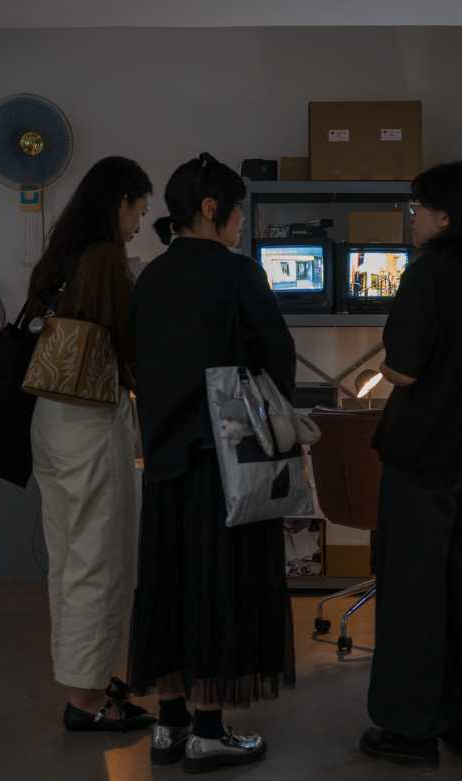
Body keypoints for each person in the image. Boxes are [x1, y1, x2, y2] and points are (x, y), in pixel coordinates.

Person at [128, 153, 297, 774]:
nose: (240, 223)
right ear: (210, 209)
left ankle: (169, 725)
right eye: (237, 211)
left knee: (168, 585)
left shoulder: (150, 278)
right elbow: (278, 357)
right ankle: (207, 730)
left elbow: (137, 363)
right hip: (226, 463)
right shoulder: (238, 274)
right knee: (218, 586)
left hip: (164, 458)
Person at [360, 161, 462, 769]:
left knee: (413, 592)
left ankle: (410, 729)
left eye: (418, 207)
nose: (412, 217)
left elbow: (402, 368)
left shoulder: (426, 274)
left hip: (422, 455)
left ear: (445, 217)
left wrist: (390, 358)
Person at [25, 156, 157, 732]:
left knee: (68, 560)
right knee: (99, 564)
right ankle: (85, 701)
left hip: (50, 420)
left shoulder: (61, 254)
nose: (138, 223)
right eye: (138, 210)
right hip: (91, 422)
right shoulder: (105, 259)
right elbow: (131, 344)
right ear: (119, 202)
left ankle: (87, 677)